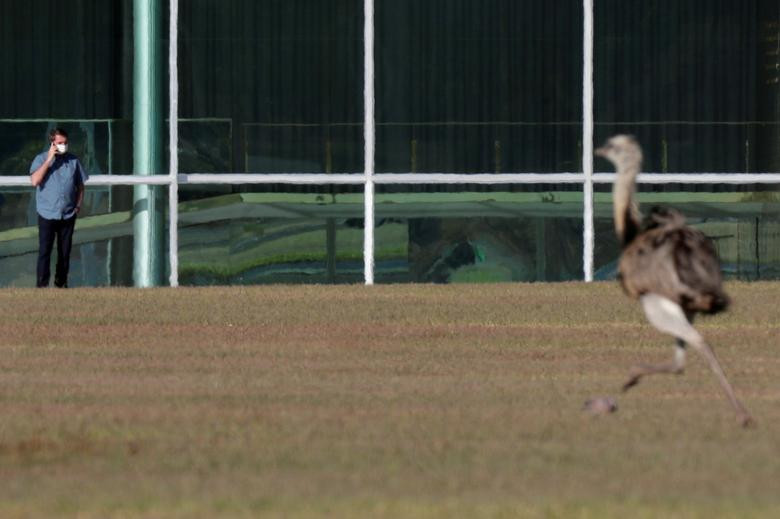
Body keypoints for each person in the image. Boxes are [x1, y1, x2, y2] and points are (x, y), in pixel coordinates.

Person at [29, 128, 88, 288]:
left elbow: (80, 186)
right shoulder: (40, 159)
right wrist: (48, 160)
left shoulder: (73, 161)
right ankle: (41, 287)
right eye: (60, 143)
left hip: (68, 215)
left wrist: (77, 206)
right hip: (47, 214)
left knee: (65, 253)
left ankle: (61, 285)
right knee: (44, 252)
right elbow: (34, 181)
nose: (63, 145)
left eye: (65, 143)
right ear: (52, 143)